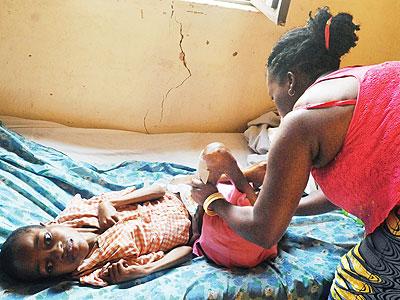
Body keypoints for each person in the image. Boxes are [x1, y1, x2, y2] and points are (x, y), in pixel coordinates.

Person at [191, 6, 400, 299]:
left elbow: (264, 232)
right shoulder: (358, 82)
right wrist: (289, 206)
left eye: (273, 97)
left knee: (353, 285)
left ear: (289, 82)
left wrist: (213, 202)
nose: (277, 108)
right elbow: (350, 185)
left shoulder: (300, 120)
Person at [0, 149, 275, 286]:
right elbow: (188, 251)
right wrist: (145, 270)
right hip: (200, 225)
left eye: (47, 240)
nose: (58, 252)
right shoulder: (97, 270)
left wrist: (110, 201)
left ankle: (245, 180)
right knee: (241, 246)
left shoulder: (82, 212)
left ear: (50, 225)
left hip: (184, 193)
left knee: (213, 155)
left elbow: (158, 188)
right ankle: (245, 190)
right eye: (49, 267)